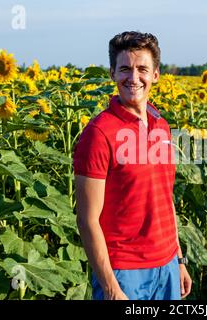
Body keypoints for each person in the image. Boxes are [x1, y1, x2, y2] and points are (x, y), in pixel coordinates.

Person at [73, 31, 191, 300]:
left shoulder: (161, 125)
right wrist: (112, 290)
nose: (134, 78)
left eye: (142, 69)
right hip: (125, 271)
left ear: (156, 75)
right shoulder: (99, 133)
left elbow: (165, 199)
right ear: (112, 73)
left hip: (168, 266)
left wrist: (179, 260)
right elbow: (87, 220)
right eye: (125, 68)